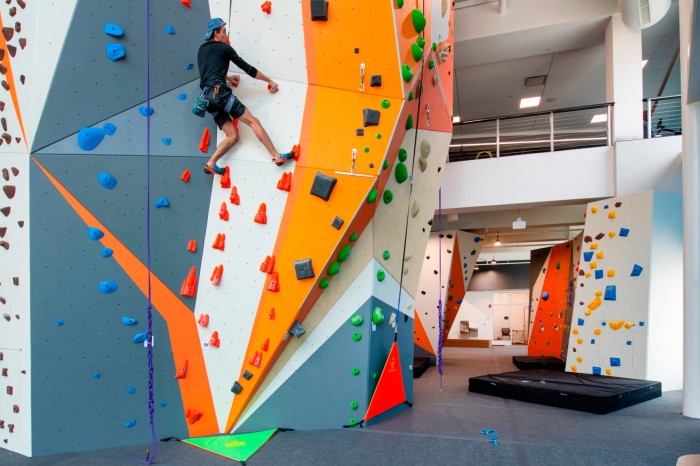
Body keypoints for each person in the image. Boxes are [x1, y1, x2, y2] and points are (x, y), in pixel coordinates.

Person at [197, 18, 294, 174]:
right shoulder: (223, 47)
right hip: (220, 94)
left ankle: (211, 163)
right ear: (216, 33)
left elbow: (208, 74)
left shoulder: (202, 50)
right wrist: (269, 80)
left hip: (207, 99)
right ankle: (276, 156)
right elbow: (248, 68)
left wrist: (228, 78)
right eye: (224, 31)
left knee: (233, 136)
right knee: (253, 121)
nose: (226, 34)